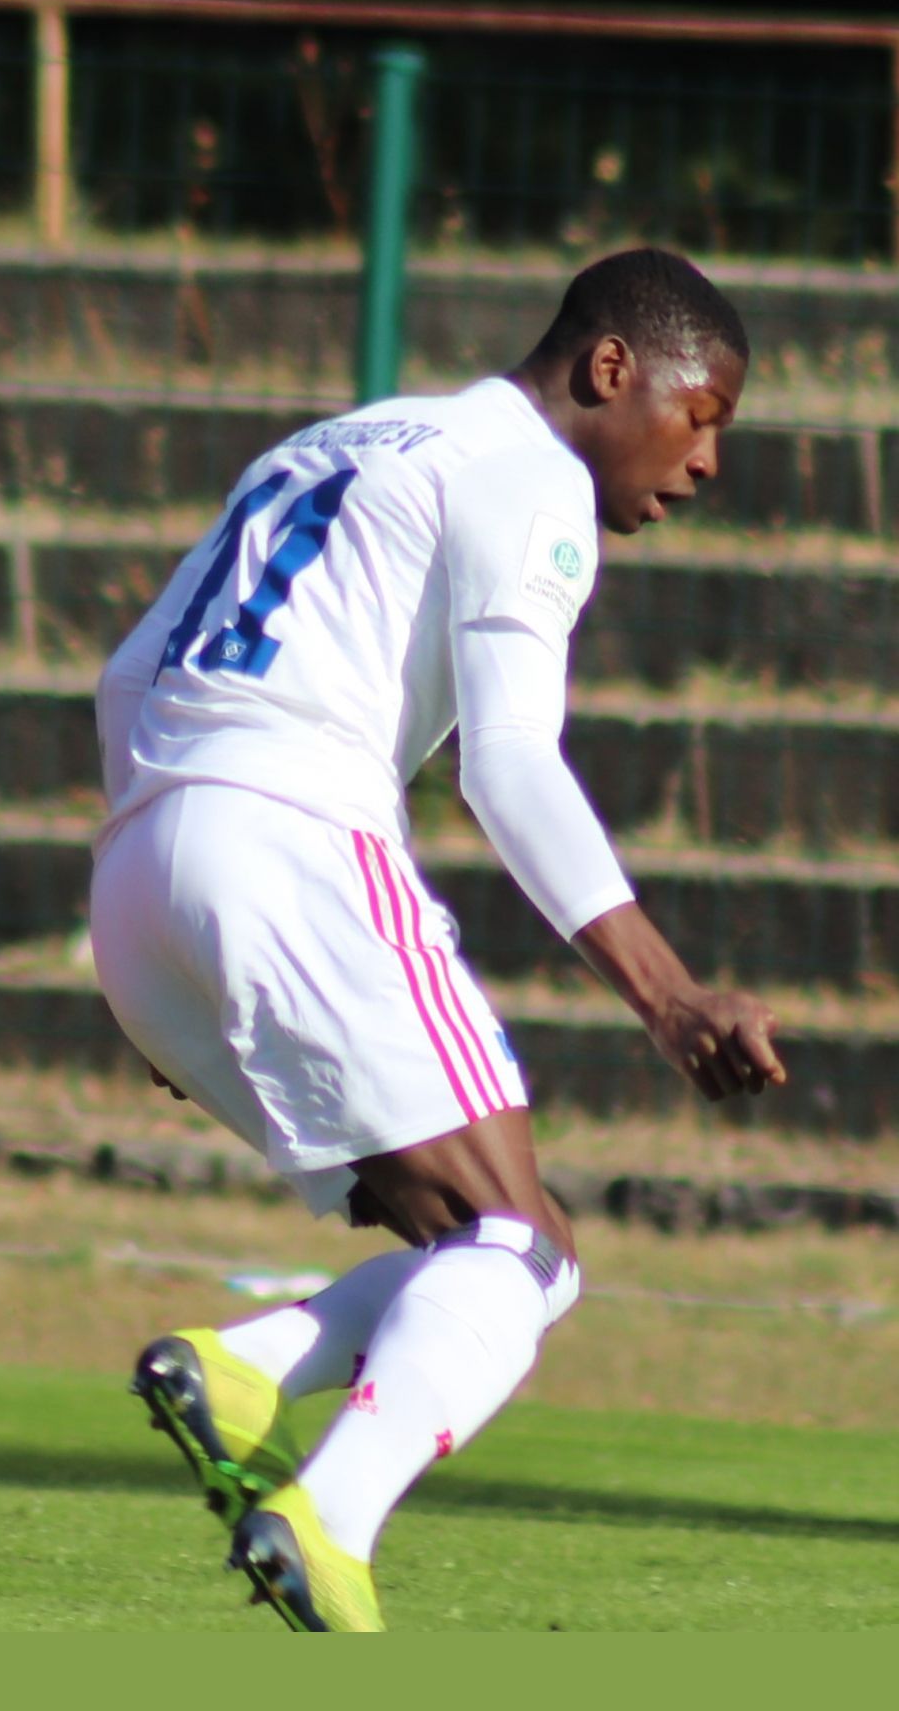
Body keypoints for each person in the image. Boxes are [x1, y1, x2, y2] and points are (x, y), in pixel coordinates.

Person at [87, 247, 786, 1632]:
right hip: (293, 845)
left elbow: (125, 674)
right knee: (522, 1253)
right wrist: (670, 996)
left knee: (473, 1246)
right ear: (608, 370)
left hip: (141, 868)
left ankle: (246, 1374)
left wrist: (169, 935)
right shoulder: (531, 477)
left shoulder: (340, 440)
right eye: (701, 417)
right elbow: (509, 764)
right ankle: (329, 1518)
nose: (706, 462)